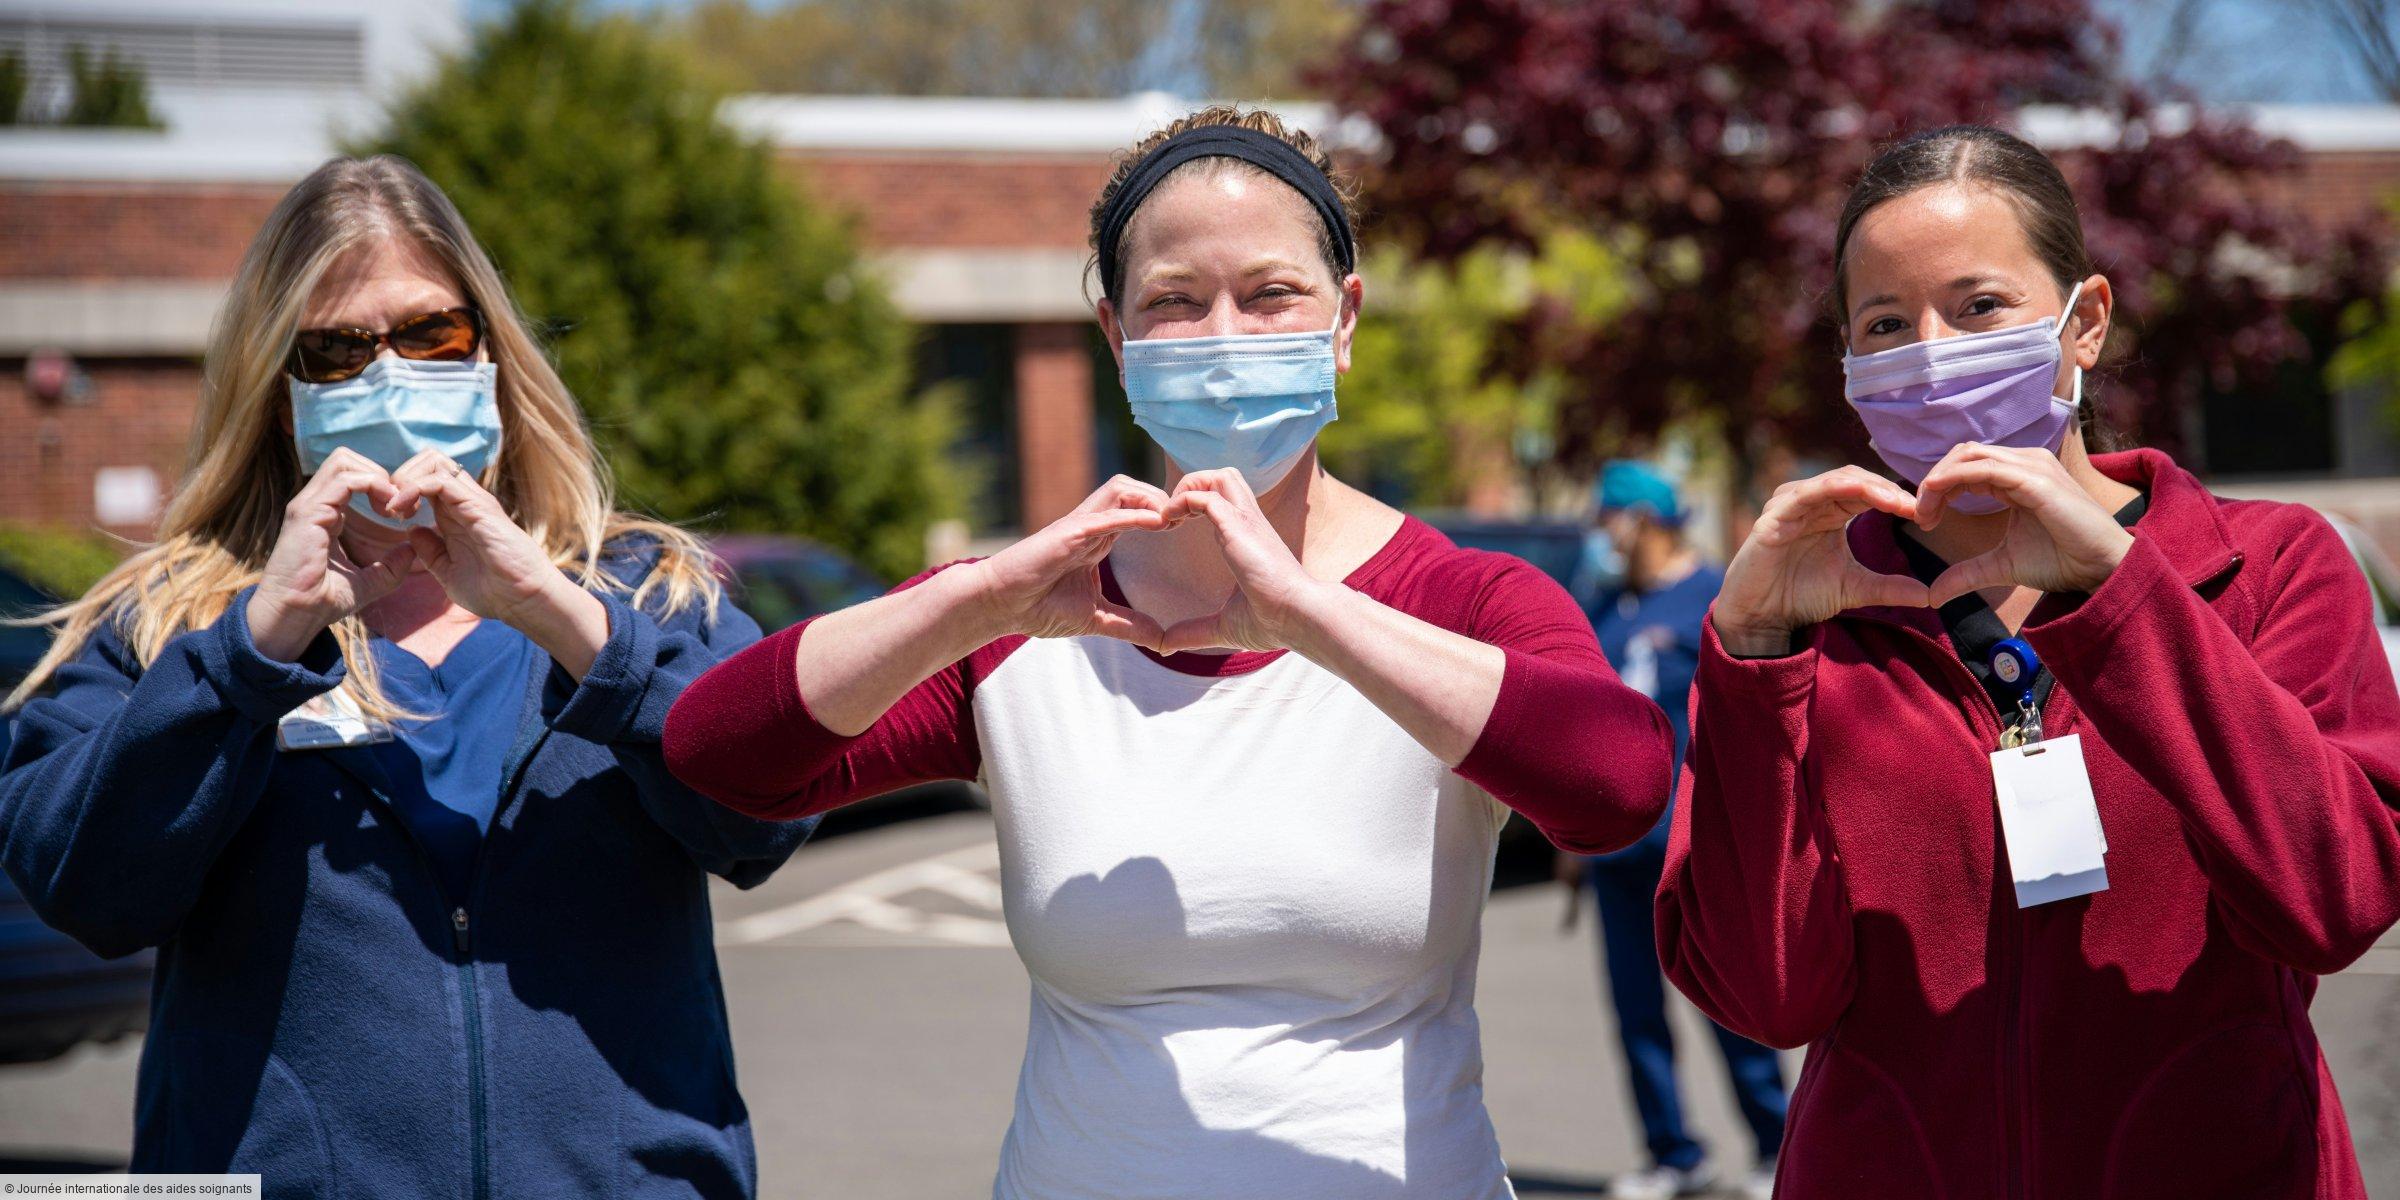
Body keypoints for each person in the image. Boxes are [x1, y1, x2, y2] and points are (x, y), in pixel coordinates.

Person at [663, 106, 1674, 1200]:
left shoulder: (1463, 600)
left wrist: (1312, 617)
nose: (1226, 336)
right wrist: (975, 598)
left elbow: (1617, 788)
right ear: (1115, 337)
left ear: (1344, 319)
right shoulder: (1031, 615)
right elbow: (724, 758)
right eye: (1175, 303)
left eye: (1273, 293)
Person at [0, 157, 809, 1198]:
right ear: (277, 388)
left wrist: (565, 621)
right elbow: (85, 891)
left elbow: (766, 821)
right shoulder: (168, 623)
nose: (388, 375)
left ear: (493, 352)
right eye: (336, 350)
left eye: (432, 334)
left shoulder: (645, 593)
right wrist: (252, 652)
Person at [1657, 124, 2400, 1199]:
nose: (1931, 349)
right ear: (1850, 365)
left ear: (2083, 321)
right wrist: (1755, 657)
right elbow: (1765, 996)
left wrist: (2122, 597)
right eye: (1883, 324)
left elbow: (2335, 901)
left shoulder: (2269, 568)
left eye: (1977, 307)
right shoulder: (1811, 610)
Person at [1563, 461, 1785, 1200]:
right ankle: (1672, 1153)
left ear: (1646, 521)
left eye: (1610, 519)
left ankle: (1774, 1145)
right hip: (1617, 853)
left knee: (1729, 1005)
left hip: (1697, 850)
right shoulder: (1606, 605)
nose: (1602, 535)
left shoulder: (1713, 597)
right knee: (1635, 1012)